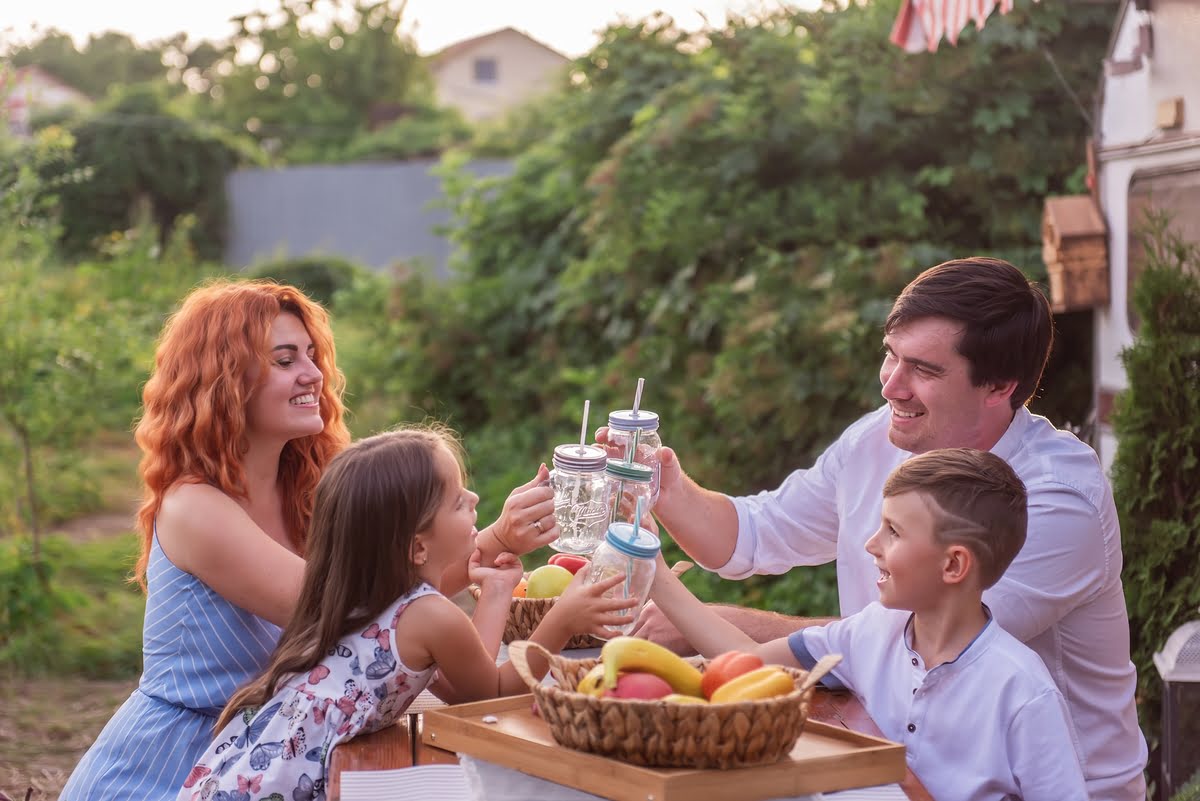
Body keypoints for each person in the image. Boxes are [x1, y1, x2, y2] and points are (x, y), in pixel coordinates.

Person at [618, 258, 1147, 801]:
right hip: (891, 761)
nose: (892, 386)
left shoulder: (1058, 499)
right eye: (890, 355)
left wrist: (714, 619)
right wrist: (667, 491)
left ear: (999, 386)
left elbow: (917, 635)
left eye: (924, 368)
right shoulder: (882, 438)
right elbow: (757, 533)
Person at [62, 280, 560, 801]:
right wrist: (492, 541)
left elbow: (393, 598)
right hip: (175, 767)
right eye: (284, 360)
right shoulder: (194, 507)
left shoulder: (303, 491)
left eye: (311, 354)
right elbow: (359, 609)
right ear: (225, 381)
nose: (313, 374)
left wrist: (489, 544)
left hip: (270, 753)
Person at [177, 426, 635, 800]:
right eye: (458, 501)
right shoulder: (428, 614)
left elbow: (464, 683)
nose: (475, 499)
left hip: (247, 773)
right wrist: (565, 618)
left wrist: (496, 593)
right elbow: (489, 697)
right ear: (417, 546)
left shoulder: (376, 596)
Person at [650, 448, 1087, 801]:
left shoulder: (1023, 692)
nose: (871, 544)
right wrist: (658, 576)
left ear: (953, 564)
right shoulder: (876, 630)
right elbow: (747, 665)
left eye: (893, 532)